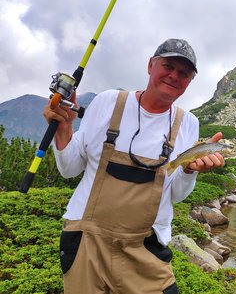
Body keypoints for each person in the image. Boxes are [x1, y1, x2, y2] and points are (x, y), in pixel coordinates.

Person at [43, 38, 225, 294]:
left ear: (190, 81)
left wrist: (188, 170)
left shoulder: (188, 123)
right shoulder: (108, 102)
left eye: (184, 73)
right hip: (86, 241)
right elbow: (69, 168)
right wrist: (64, 127)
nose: (174, 76)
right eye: (168, 66)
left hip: (145, 248)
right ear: (151, 65)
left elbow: (176, 195)